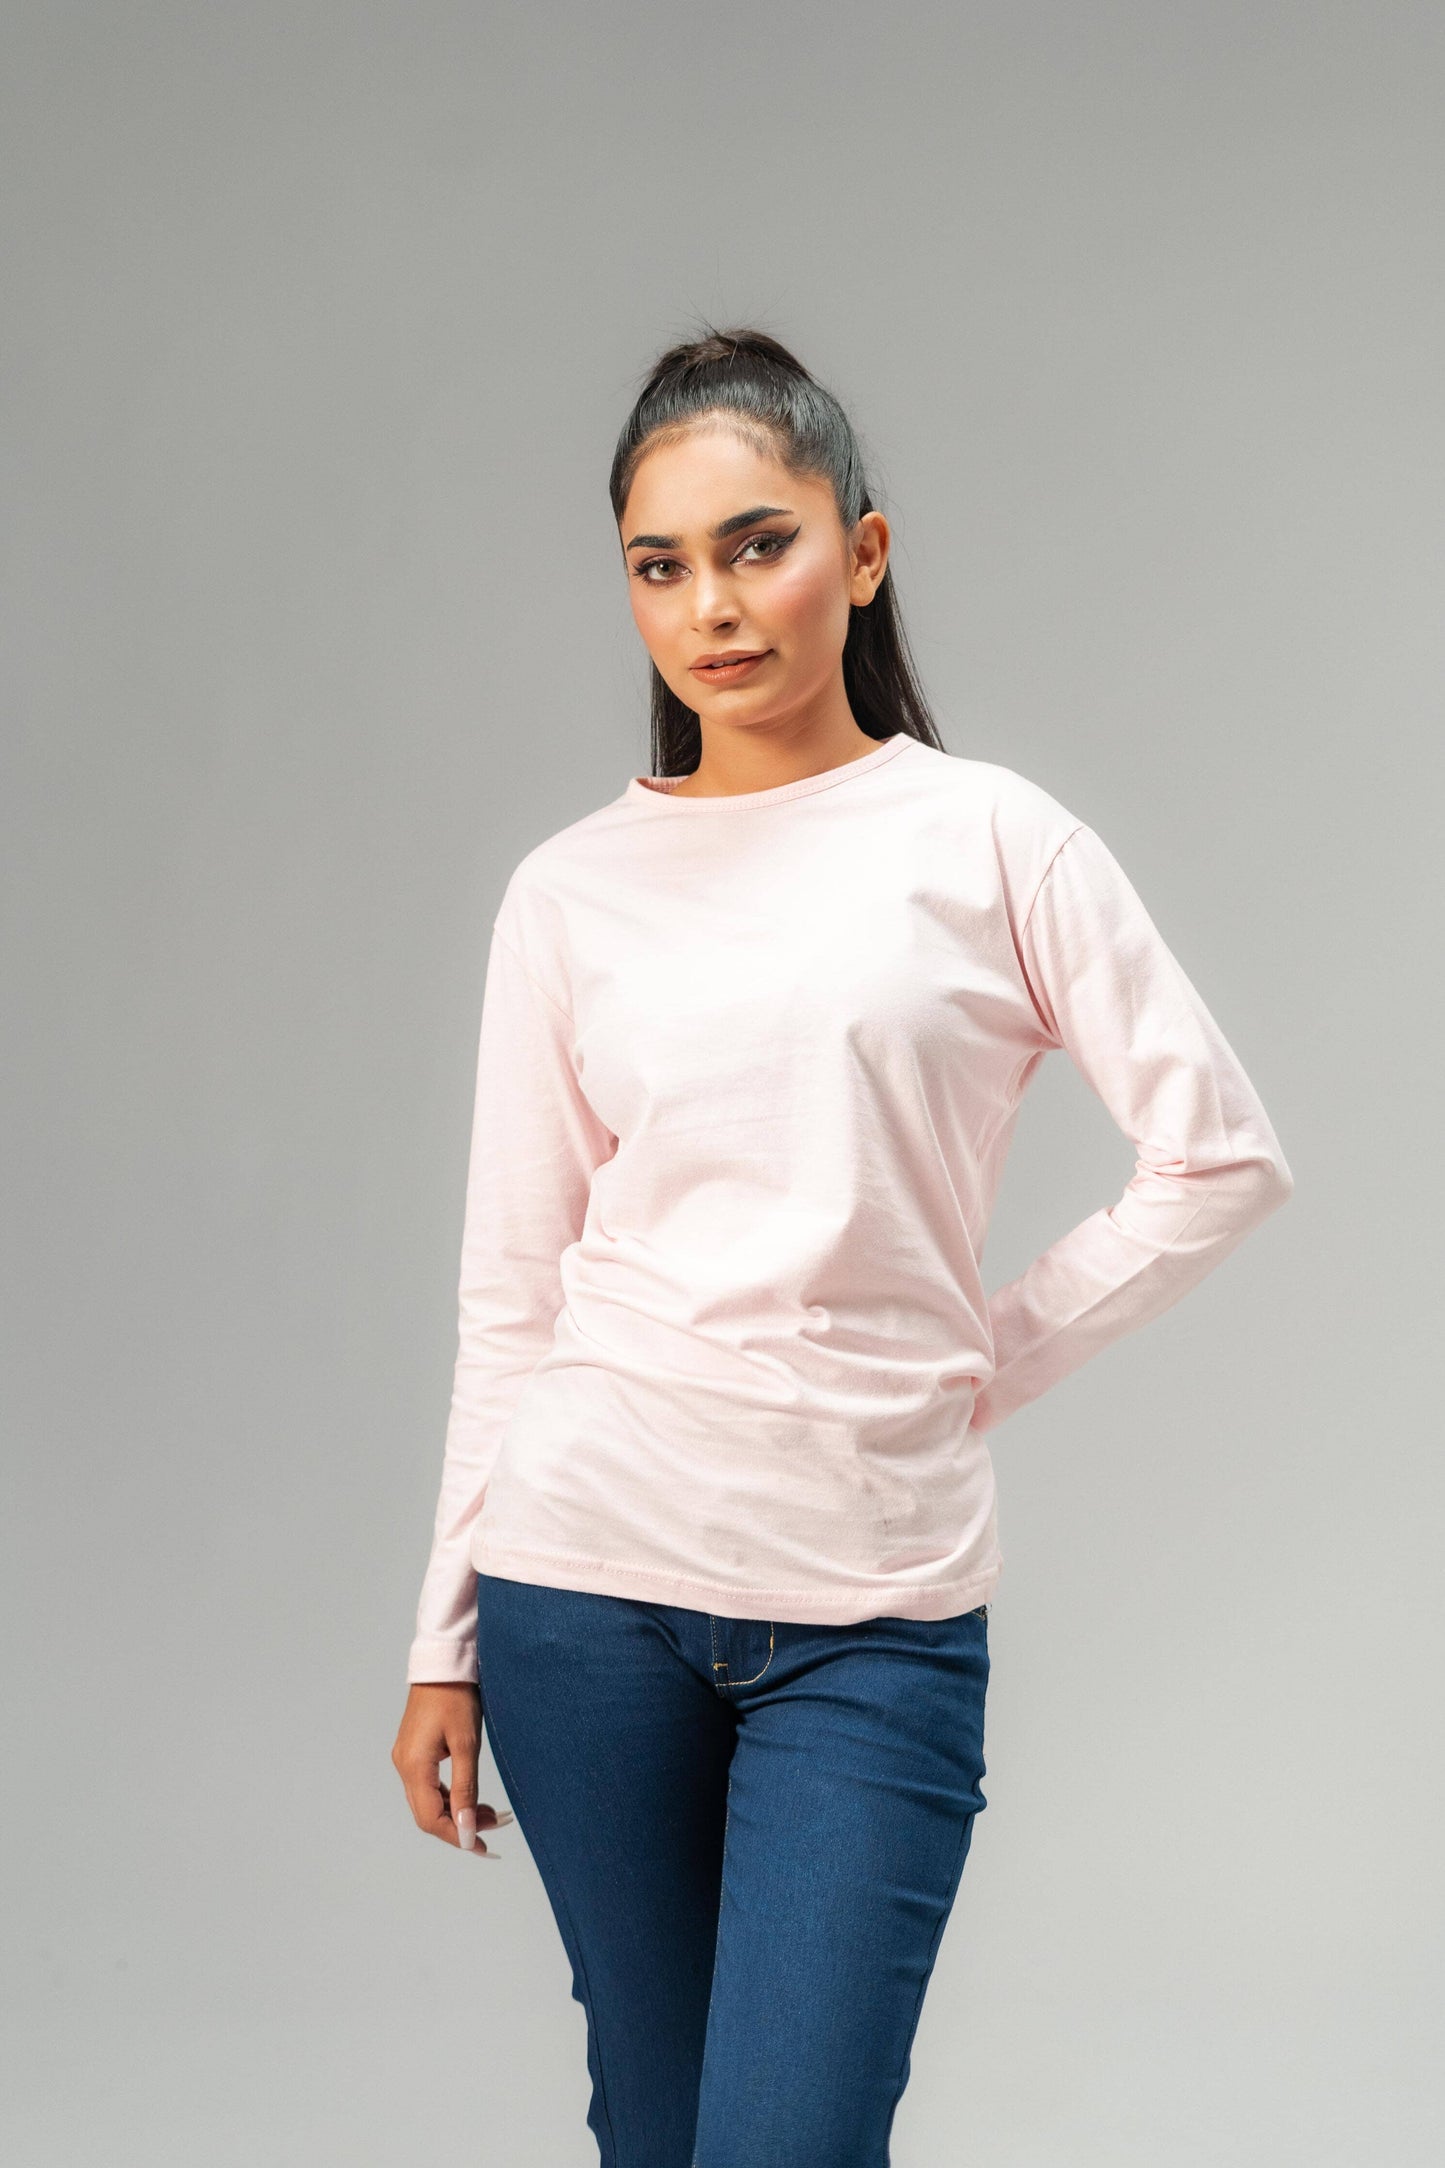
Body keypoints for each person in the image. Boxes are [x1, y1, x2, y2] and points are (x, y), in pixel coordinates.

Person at [391, 324, 1293, 2166]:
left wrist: (979, 1360)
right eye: (660, 566)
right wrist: (445, 1634)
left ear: (860, 552)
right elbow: (514, 1287)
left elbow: (1216, 1154)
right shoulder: (568, 891)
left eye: (758, 544)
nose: (713, 607)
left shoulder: (990, 841)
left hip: (871, 1615)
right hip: (582, 1590)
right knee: (655, 2131)